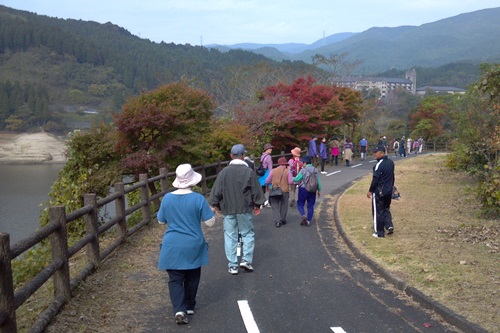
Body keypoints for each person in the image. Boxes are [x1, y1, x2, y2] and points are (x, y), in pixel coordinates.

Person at [157, 164, 216, 325]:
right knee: (192, 274)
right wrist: (212, 212)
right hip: (193, 243)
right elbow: (210, 223)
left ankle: (179, 309)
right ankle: (190, 305)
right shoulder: (198, 199)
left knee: (175, 279)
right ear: (192, 181)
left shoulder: (167, 198)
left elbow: (161, 220)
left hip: (172, 245)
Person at [208, 144, 265, 275]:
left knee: (230, 236)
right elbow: (255, 190)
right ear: (243, 156)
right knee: (247, 233)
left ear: (231, 156)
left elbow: (216, 191)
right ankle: (246, 260)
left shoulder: (224, 172)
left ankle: (233, 265)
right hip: (244, 208)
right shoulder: (248, 172)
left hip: (228, 209)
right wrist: (257, 205)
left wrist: (214, 205)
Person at [366, 146, 395, 238]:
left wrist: (370, 190)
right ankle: (389, 225)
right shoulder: (391, 162)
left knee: (378, 211)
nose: (374, 154)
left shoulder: (378, 165)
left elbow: (375, 179)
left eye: (376, 152)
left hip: (379, 191)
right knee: (386, 208)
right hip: (388, 190)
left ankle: (379, 232)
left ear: (382, 153)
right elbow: (392, 176)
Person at [293, 155, 322, 226]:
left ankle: (303, 215)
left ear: (305, 163)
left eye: (303, 162)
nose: (302, 163)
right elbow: (318, 181)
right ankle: (308, 220)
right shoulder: (315, 170)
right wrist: (319, 190)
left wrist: (291, 177)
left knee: (300, 203)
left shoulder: (303, 170)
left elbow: (296, 179)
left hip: (303, 189)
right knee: (310, 205)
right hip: (313, 189)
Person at [265, 157, 294, 227]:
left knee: (275, 206)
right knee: (284, 205)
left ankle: (277, 221)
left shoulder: (273, 170)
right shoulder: (287, 171)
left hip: (274, 190)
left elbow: (267, 181)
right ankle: (282, 219)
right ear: (285, 164)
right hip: (284, 190)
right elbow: (290, 181)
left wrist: (267, 188)